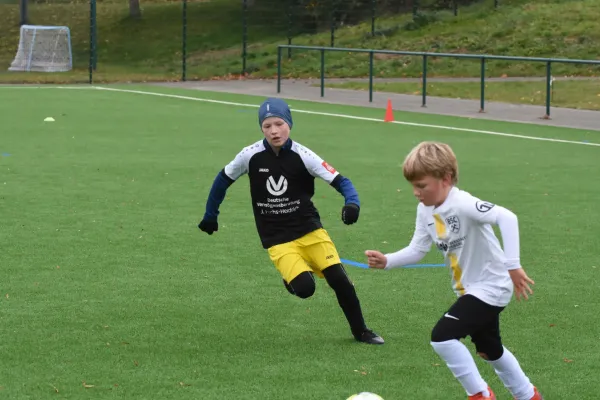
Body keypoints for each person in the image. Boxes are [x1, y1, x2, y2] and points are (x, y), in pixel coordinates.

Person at [198, 97, 383, 345]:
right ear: (261, 129)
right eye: (267, 126)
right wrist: (211, 215)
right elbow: (222, 180)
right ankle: (291, 279)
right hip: (277, 238)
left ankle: (361, 331)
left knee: (340, 280)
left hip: (310, 231)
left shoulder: (303, 155)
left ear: (289, 123)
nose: (274, 131)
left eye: (279, 123)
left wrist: (352, 203)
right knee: (305, 289)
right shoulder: (250, 156)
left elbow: (342, 181)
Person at [364, 141, 543, 399]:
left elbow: (507, 217)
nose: (416, 192)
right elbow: (417, 248)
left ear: (445, 179)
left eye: (421, 186)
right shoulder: (424, 209)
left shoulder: (463, 203)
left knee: (442, 337)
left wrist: (513, 265)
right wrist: (387, 260)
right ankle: (529, 395)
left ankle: (480, 395)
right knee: (490, 349)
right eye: (413, 185)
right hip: (470, 290)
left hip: (491, 286)